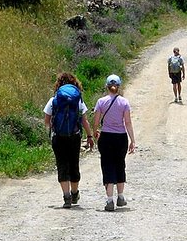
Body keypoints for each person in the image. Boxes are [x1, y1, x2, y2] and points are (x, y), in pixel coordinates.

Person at [43, 72, 94, 209]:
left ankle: (66, 197)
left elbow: (47, 120)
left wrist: (52, 130)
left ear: (58, 84)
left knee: (62, 165)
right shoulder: (78, 100)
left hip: (58, 137)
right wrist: (89, 136)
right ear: (75, 83)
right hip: (74, 136)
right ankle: (74, 192)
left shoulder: (53, 99)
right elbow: (84, 121)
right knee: (74, 164)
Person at [93, 74, 136, 212]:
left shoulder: (101, 102)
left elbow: (96, 120)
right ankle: (121, 197)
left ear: (107, 86)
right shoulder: (124, 102)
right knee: (120, 164)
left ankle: (109, 199)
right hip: (121, 137)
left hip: (106, 137)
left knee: (107, 165)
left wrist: (95, 132)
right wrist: (132, 140)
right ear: (118, 87)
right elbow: (127, 122)